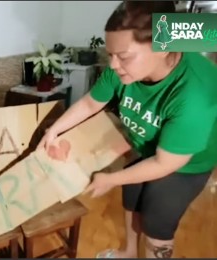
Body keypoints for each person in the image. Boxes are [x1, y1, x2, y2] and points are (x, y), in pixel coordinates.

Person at [37, 1, 217, 258]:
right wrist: (53, 131)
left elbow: (165, 163)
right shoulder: (121, 68)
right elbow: (90, 103)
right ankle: (130, 252)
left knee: (157, 216)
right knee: (132, 192)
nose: (112, 65)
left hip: (185, 164)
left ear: (163, 47)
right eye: (110, 54)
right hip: (147, 146)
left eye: (123, 56)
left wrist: (108, 179)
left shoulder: (195, 93)